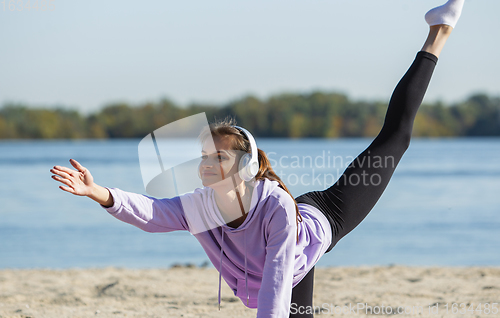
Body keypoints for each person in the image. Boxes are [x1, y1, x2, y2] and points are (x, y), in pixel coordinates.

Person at [50, 1, 465, 317]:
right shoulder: (201, 206)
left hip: (319, 223)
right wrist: (98, 192)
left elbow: (278, 279)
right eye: (202, 156)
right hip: (282, 256)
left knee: (395, 140)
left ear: (243, 167)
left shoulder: (276, 210)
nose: (205, 164)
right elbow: (152, 212)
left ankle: (438, 34)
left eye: (217, 156)